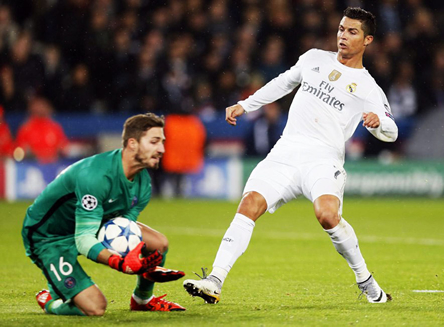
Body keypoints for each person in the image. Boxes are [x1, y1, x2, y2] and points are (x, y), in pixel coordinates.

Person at [183, 7, 398, 304]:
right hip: (286, 151)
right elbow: (282, 83)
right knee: (249, 204)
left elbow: (392, 130)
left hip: (324, 158)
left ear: (368, 40)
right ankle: (215, 280)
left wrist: (379, 123)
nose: (343, 36)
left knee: (327, 215)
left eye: (352, 32)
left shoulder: (368, 86)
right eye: (340, 29)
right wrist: (245, 105)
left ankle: (366, 281)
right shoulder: (313, 59)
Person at [21, 113, 186, 316]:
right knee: (95, 308)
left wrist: (147, 269)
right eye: (154, 142)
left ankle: (143, 300)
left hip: (92, 223)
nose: (161, 149)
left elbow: (122, 230)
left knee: (159, 244)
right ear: (132, 144)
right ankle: (50, 302)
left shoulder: (143, 183)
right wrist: (119, 263)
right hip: (49, 236)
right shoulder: (96, 176)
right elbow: (83, 240)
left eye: (162, 142)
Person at [15, 96, 68, 164]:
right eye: (37, 106)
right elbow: (20, 151)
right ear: (31, 108)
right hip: (33, 165)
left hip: (53, 165)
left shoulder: (55, 127)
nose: (40, 108)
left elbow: (64, 148)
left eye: (42, 105)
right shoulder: (25, 128)